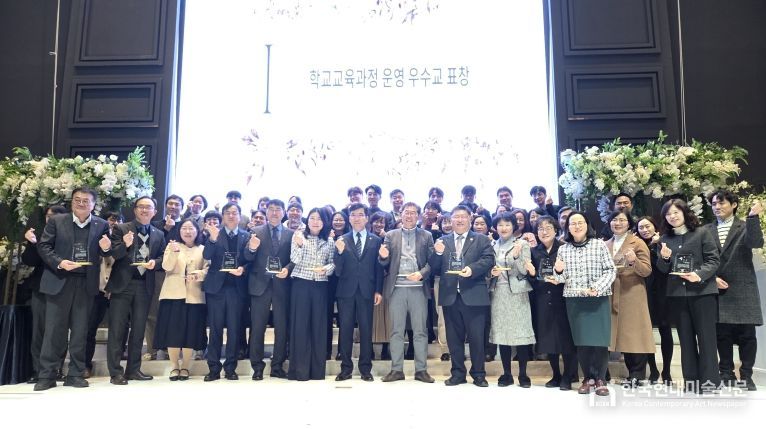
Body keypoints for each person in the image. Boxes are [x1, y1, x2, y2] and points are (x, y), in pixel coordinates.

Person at [34, 187, 111, 391]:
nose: (81, 203)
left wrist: (106, 247)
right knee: (54, 331)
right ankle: (47, 375)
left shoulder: (101, 224)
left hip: (86, 283)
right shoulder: (57, 221)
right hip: (60, 280)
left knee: (80, 332)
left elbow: (105, 251)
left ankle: (76, 374)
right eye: (77, 199)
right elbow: (44, 246)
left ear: (93, 204)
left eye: (86, 201)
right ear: (72, 202)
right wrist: (60, 262)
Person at [656, 198, 720, 393]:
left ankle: (710, 382)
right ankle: (691, 381)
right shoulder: (664, 239)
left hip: (702, 292)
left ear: (684, 213)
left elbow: (713, 260)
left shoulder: (702, 232)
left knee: (707, 339)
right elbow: (662, 269)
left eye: (676, 212)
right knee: (685, 339)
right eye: (668, 214)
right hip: (678, 295)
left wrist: (698, 275)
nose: (672, 216)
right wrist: (664, 257)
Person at [429, 205, 495, 387]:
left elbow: (489, 259)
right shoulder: (442, 241)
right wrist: (438, 253)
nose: (459, 220)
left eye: (463, 216)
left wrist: (472, 269)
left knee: (477, 338)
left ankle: (479, 374)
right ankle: (457, 373)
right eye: (455, 217)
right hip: (450, 296)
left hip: (474, 295)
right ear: (450, 220)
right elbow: (433, 267)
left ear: (469, 219)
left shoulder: (481, 239)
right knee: (453, 339)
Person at [553, 211, 616, 396]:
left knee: (600, 341)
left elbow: (610, 270)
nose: (577, 226)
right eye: (572, 223)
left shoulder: (599, 245)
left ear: (587, 225)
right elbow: (561, 278)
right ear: (568, 228)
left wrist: (597, 288)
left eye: (580, 222)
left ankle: (600, 379)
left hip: (598, 298)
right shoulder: (563, 249)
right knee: (582, 342)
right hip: (574, 300)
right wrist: (558, 270)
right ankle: (588, 378)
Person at [105, 196, 166, 385]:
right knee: (117, 330)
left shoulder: (158, 234)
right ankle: (115, 372)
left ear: (155, 212)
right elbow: (114, 254)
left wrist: (155, 263)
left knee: (139, 330)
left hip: (144, 285)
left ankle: (133, 370)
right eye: (141, 207)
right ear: (135, 210)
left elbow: (163, 257)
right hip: (123, 285)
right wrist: (125, 244)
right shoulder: (121, 229)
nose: (145, 210)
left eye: (149, 207)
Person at [707, 190, 763, 391]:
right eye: (714, 204)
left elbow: (756, 242)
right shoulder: (706, 229)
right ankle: (726, 373)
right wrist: (711, 279)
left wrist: (753, 217)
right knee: (722, 335)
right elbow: (701, 257)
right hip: (716, 287)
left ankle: (746, 375)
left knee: (747, 335)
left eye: (721, 203)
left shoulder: (745, 225)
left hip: (742, 288)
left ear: (734, 205)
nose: (717, 207)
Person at [379, 202, 436, 383]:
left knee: (420, 331)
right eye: (406, 212)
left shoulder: (427, 235)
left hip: (418, 288)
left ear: (418, 216)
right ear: (400, 215)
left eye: (413, 213)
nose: (409, 215)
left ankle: (421, 370)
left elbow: (433, 261)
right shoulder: (391, 235)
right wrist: (383, 257)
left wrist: (422, 274)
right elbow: (384, 263)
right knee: (396, 331)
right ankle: (396, 370)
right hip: (397, 288)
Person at [243, 199, 294, 380]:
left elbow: (295, 259)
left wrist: (288, 268)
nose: (274, 212)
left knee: (282, 327)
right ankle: (257, 366)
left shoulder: (291, 234)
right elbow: (247, 257)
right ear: (266, 212)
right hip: (260, 285)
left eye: (277, 209)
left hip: (282, 285)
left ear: (284, 212)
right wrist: (251, 248)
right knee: (257, 328)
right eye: (271, 209)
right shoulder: (255, 232)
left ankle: (277, 366)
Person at [333, 203, 384, 382]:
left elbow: (378, 268)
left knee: (366, 330)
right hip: (346, 291)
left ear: (366, 218)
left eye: (360, 214)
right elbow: (337, 270)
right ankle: (345, 369)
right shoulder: (342, 240)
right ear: (349, 218)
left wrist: (378, 290)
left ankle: (365, 369)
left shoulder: (375, 240)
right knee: (345, 330)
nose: (357, 218)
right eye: (353, 214)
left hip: (367, 291)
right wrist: (339, 253)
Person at [604, 210, 654, 388]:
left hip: (632, 293)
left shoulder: (637, 242)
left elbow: (646, 271)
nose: (617, 223)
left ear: (629, 223)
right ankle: (604, 373)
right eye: (614, 220)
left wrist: (634, 261)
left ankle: (636, 374)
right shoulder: (605, 244)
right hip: (610, 292)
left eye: (622, 220)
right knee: (613, 334)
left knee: (634, 334)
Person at [155, 219, 208, 381]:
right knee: (173, 333)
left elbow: (207, 268)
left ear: (197, 231)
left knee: (190, 332)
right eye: (184, 228)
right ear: (179, 231)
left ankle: (185, 366)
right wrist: (174, 252)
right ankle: (174, 367)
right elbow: (166, 267)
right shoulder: (172, 246)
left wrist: (199, 274)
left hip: (194, 295)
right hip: (173, 294)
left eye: (191, 228)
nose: (187, 231)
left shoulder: (203, 249)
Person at [201, 202, 249, 381]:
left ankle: (230, 368)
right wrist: (212, 239)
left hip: (237, 288)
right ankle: (213, 368)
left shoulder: (246, 236)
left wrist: (243, 269)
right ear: (223, 216)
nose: (231, 215)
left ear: (239, 216)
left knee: (234, 330)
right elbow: (207, 255)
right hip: (217, 288)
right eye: (227, 213)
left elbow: (250, 260)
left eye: (234, 213)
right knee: (215, 329)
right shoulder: (215, 234)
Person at [488, 212, 536, 388]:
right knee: (503, 334)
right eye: (500, 225)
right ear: (495, 227)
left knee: (520, 333)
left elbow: (524, 271)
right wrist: (491, 273)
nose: (504, 228)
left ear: (514, 226)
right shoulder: (492, 245)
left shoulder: (522, 244)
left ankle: (523, 374)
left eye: (507, 224)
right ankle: (506, 373)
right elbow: (487, 269)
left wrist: (516, 257)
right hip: (498, 293)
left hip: (517, 293)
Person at [529, 215, 577, 391]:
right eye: (540, 229)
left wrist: (561, 274)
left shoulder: (565, 248)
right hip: (542, 300)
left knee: (566, 340)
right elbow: (531, 280)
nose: (544, 232)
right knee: (548, 340)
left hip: (563, 299)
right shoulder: (534, 252)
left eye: (548, 228)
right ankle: (556, 375)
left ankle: (568, 376)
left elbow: (574, 274)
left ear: (556, 230)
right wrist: (532, 274)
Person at [21, 204, 68, 383]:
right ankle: (38, 370)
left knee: (59, 330)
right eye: (49, 216)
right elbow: (30, 261)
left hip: (63, 287)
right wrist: (31, 243)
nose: (52, 220)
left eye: (56, 217)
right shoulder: (39, 235)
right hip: (40, 287)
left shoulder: (70, 236)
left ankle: (57, 368)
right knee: (39, 331)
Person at [288, 208, 335, 380]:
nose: (315, 222)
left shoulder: (329, 240)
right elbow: (295, 260)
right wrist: (300, 245)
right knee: (300, 326)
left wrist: (326, 269)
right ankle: (299, 371)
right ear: (307, 221)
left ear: (324, 222)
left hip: (320, 285)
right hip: (301, 283)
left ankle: (316, 371)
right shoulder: (299, 236)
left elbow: (333, 263)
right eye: (312, 218)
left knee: (318, 327)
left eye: (319, 219)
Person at [635, 216, 674, 385]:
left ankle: (667, 370)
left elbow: (665, 266)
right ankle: (653, 369)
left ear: (655, 227)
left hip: (664, 291)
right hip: (644, 292)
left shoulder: (665, 241)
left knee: (665, 329)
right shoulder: (636, 245)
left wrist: (656, 245)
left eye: (647, 226)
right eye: (641, 227)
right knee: (646, 331)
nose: (645, 230)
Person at [85, 210, 123, 378]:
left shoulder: (125, 240)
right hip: (98, 289)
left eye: (118, 220)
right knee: (89, 328)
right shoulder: (95, 238)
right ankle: (85, 364)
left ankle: (118, 361)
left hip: (118, 290)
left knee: (121, 328)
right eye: (111, 220)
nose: (114, 223)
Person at [369, 210, 393, 360]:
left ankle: (386, 348)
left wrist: (385, 238)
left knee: (387, 315)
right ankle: (369, 348)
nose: (378, 224)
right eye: (376, 221)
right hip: (370, 281)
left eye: (381, 222)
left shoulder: (390, 238)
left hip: (387, 280)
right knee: (371, 316)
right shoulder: (367, 238)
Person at [327, 211, 350, 359]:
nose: (338, 222)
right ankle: (326, 350)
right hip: (328, 281)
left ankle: (342, 350)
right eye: (335, 220)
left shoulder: (349, 237)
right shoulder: (326, 236)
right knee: (326, 316)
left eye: (341, 220)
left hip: (344, 280)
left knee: (344, 318)